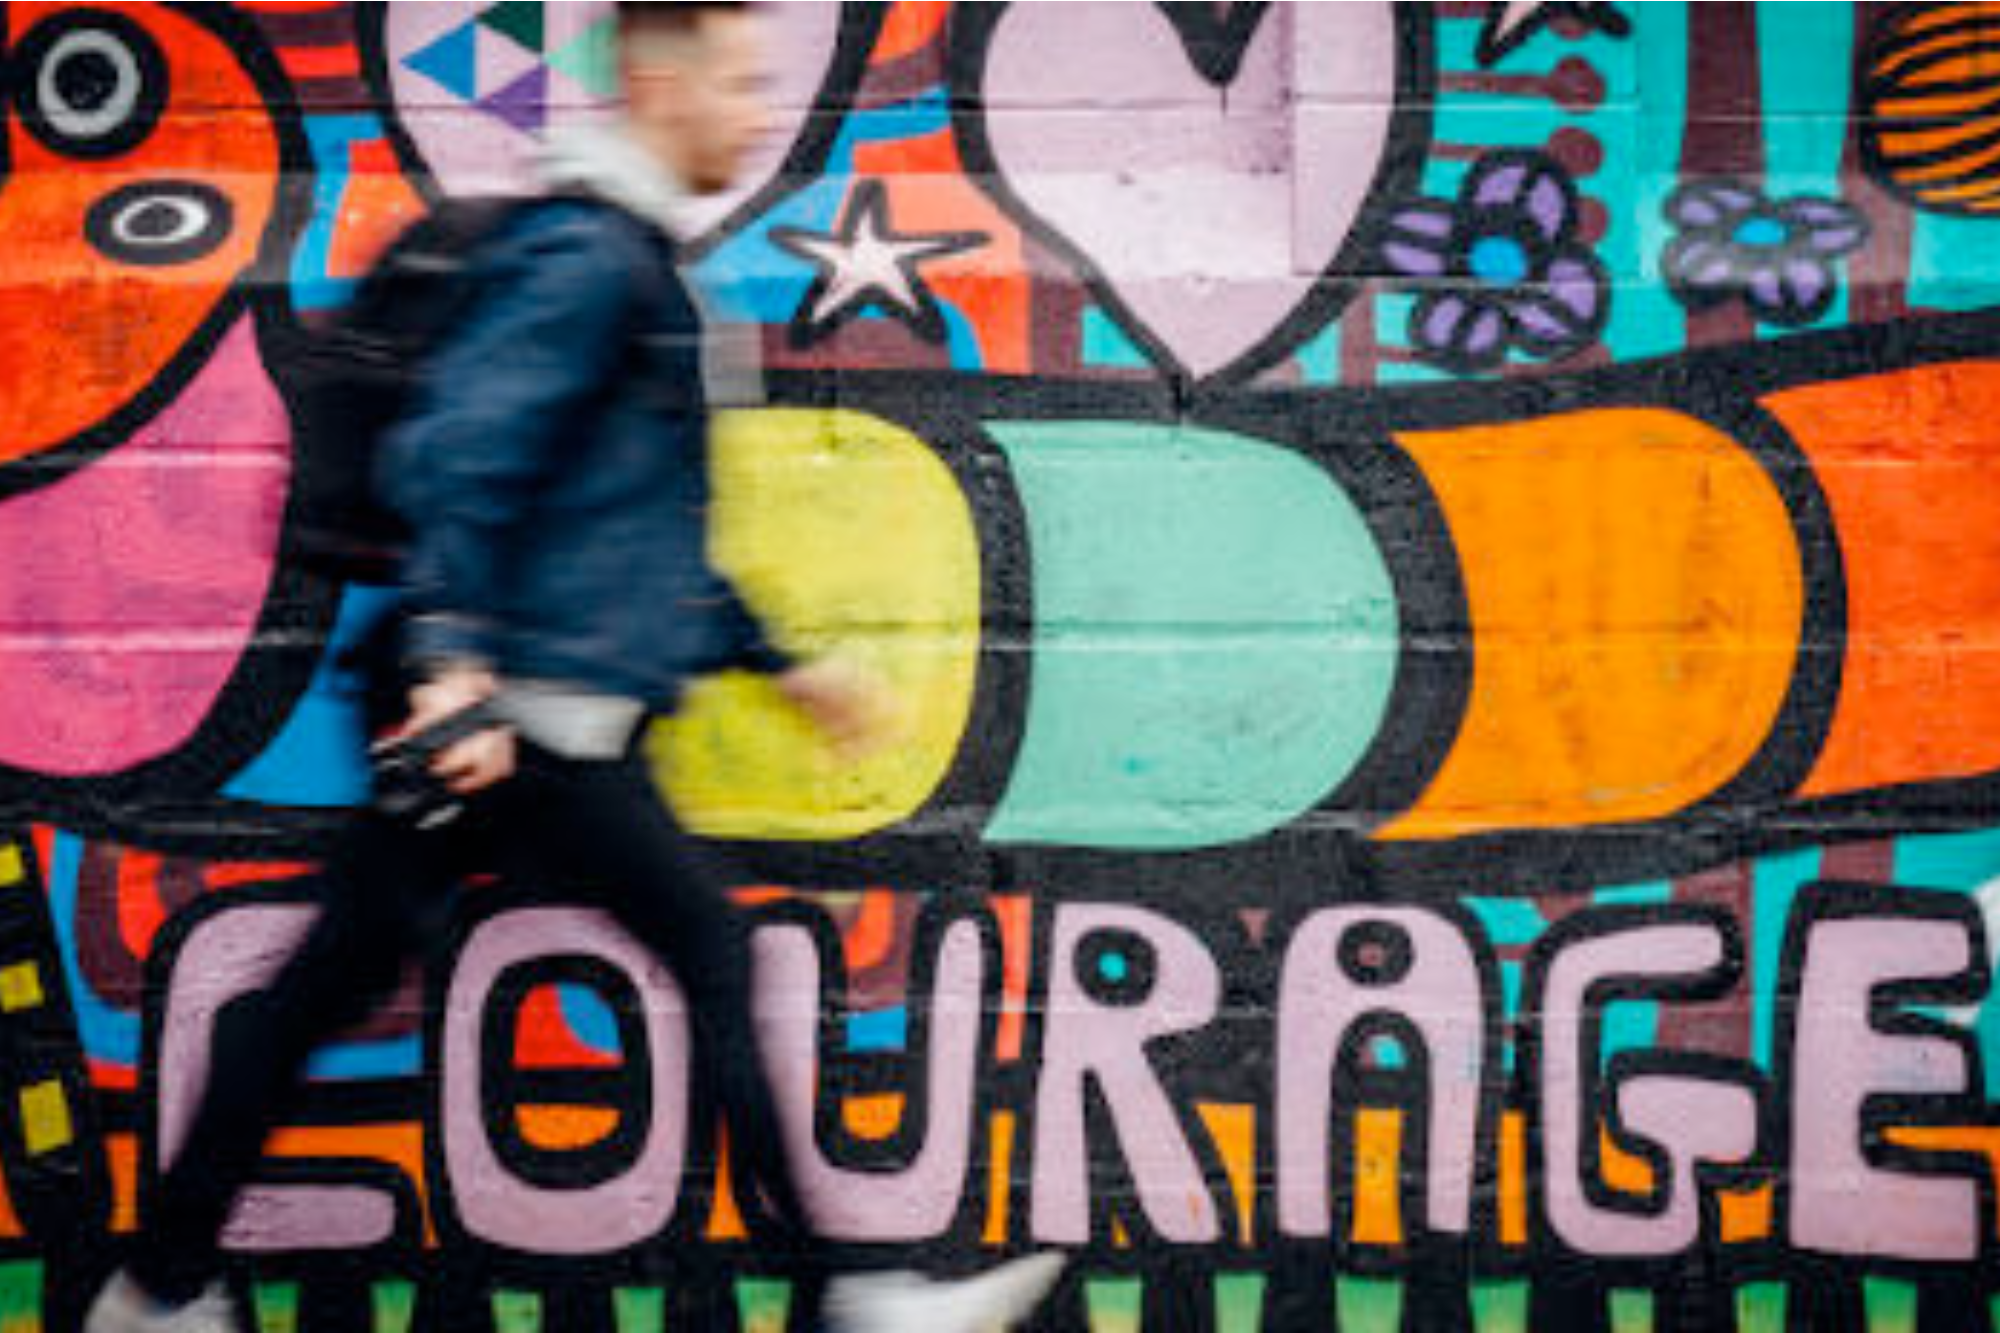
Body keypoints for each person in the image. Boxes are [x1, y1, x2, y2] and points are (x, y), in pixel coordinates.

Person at [85, 5, 1063, 1331]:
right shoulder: (588, 259)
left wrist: (782, 668)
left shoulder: (637, 265)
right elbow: (459, 452)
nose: (755, 113)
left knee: (334, 979)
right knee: (699, 960)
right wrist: (450, 664)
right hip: (515, 720)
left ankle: (154, 1290)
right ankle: (859, 1303)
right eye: (736, 83)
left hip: (539, 712)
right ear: (658, 80)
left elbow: (633, 537)